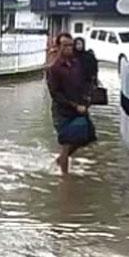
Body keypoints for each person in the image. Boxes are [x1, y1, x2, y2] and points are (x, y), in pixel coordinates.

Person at [47, 33, 96, 175]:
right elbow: (55, 94)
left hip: (79, 107)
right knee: (67, 143)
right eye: (65, 45)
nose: (69, 48)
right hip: (63, 111)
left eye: (71, 45)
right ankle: (64, 178)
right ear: (58, 47)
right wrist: (75, 105)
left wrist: (87, 98)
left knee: (87, 136)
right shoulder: (54, 68)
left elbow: (85, 83)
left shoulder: (77, 64)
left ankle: (60, 161)